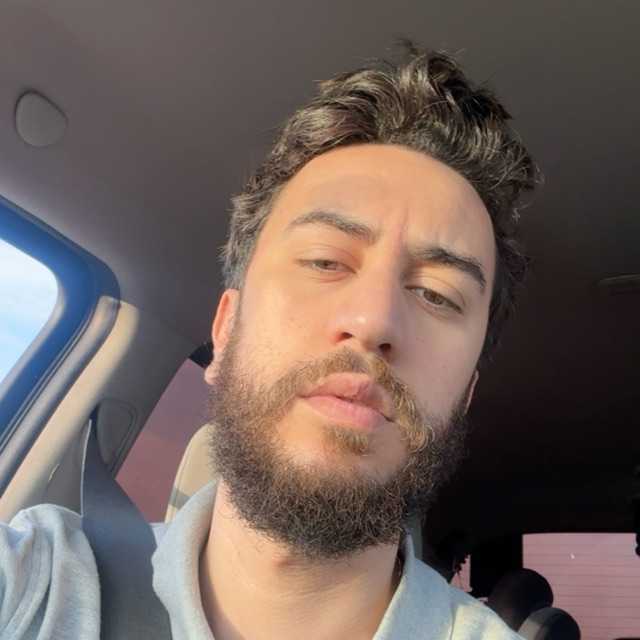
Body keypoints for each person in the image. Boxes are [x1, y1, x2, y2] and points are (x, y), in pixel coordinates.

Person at [0, 43, 537, 639]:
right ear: (226, 330)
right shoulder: (32, 584)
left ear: (465, 398)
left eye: (436, 294)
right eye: (325, 260)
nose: (374, 319)